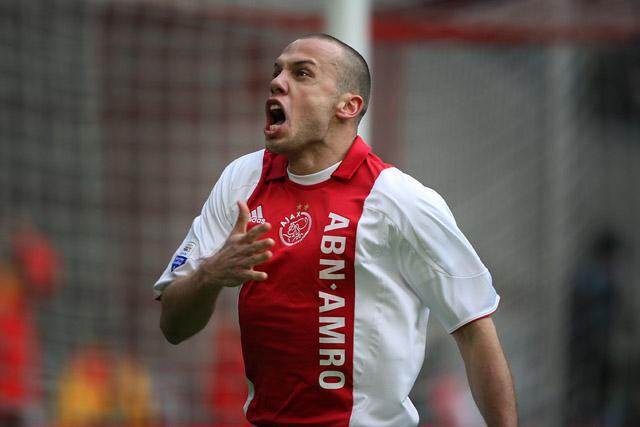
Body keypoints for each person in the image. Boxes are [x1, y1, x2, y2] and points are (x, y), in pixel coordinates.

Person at [154, 33, 517, 427]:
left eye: (301, 73)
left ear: (348, 105)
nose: (277, 82)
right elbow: (173, 327)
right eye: (277, 72)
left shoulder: (400, 200)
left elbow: (474, 329)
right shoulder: (241, 179)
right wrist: (210, 273)